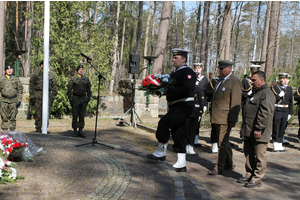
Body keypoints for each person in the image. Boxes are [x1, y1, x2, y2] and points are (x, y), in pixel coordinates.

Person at [147, 48, 196, 172]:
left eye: (176, 58)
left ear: (183, 59)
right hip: (176, 105)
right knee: (178, 132)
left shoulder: (187, 72)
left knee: (163, 123)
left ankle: (161, 152)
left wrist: (169, 91)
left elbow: (187, 89)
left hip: (183, 105)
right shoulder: (175, 73)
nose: (173, 60)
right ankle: (181, 163)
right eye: (173, 58)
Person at [238, 71, 275, 188]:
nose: (251, 82)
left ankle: (257, 178)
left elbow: (265, 113)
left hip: (259, 131)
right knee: (249, 153)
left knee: (259, 155)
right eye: (251, 80)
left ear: (262, 80)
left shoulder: (266, 93)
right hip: (249, 129)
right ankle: (249, 173)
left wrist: (259, 128)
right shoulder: (255, 93)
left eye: (254, 80)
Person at [207, 60, 242, 175]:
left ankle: (218, 167)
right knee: (224, 141)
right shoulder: (220, 81)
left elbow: (236, 101)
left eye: (222, 68)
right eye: (219, 68)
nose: (220, 70)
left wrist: (233, 119)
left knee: (221, 143)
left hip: (225, 117)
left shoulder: (234, 81)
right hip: (217, 116)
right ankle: (230, 162)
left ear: (229, 69)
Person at [30, 60, 57, 133]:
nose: (43, 66)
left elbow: (54, 87)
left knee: (47, 112)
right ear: (40, 66)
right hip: (38, 95)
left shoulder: (51, 75)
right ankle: (38, 127)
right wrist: (32, 96)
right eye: (42, 64)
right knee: (38, 112)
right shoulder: (35, 74)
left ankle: (45, 127)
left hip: (47, 95)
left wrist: (53, 97)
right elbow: (31, 85)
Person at [270, 73, 293, 152]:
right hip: (277, 110)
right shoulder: (275, 88)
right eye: (280, 78)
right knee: (276, 127)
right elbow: (271, 98)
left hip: (285, 110)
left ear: (286, 79)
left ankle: (280, 143)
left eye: (283, 78)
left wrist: (290, 113)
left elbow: (291, 102)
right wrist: (278, 96)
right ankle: (275, 143)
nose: (282, 80)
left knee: (282, 127)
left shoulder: (289, 89)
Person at [67, 65, 92, 138]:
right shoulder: (73, 79)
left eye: (82, 69)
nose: (81, 70)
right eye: (79, 69)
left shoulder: (86, 79)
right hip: (75, 98)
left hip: (83, 99)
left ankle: (80, 130)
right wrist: (70, 98)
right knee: (75, 115)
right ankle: (75, 130)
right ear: (77, 70)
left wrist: (88, 98)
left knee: (82, 115)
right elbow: (69, 89)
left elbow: (89, 90)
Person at [185, 71, 205, 154]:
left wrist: (200, 113)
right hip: (187, 112)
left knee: (193, 131)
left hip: (196, 113)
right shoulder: (187, 88)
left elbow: (201, 101)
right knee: (186, 131)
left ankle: (191, 146)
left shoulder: (199, 89)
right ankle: (185, 146)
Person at [0, 65, 23, 131]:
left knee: (13, 116)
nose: (9, 71)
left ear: (12, 70)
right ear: (5, 70)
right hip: (4, 100)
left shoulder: (16, 79)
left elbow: (20, 90)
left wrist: (19, 100)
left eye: (11, 69)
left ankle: (12, 131)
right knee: (4, 116)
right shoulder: (1, 79)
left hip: (13, 100)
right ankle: (4, 131)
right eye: (7, 69)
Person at [193, 63, 208, 147]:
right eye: (196, 68)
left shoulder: (205, 80)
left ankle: (195, 139)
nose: (197, 70)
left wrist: (205, 104)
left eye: (199, 68)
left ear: (201, 69)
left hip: (201, 104)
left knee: (197, 122)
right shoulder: (191, 78)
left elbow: (206, 92)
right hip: (192, 103)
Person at [204, 71, 220, 153]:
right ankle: (214, 144)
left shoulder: (229, 81)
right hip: (215, 107)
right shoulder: (214, 82)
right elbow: (207, 92)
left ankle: (222, 143)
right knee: (215, 126)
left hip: (226, 108)